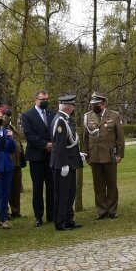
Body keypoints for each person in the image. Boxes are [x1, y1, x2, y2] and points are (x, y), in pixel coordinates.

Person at [82, 92, 125, 219]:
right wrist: (86, 154)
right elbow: (85, 138)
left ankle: (112, 210)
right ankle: (101, 210)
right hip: (94, 155)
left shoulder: (114, 116)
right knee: (98, 185)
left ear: (103, 103)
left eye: (97, 104)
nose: (94, 106)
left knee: (111, 184)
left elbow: (120, 137)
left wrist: (120, 154)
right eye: (93, 104)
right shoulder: (87, 117)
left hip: (110, 155)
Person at [20, 90, 56, 227]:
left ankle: (51, 214)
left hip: (51, 155)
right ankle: (38, 216)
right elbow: (28, 135)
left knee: (52, 185)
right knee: (38, 187)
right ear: (35, 99)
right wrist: (44, 145)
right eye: (43, 99)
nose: (45, 101)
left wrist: (53, 144)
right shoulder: (27, 115)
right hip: (37, 156)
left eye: (47, 99)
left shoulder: (52, 114)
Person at [49, 95, 83, 230]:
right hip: (62, 164)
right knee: (62, 195)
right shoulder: (60, 121)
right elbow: (58, 145)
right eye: (73, 106)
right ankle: (60, 222)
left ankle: (69, 219)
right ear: (68, 107)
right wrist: (63, 164)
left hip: (70, 161)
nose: (74, 108)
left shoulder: (66, 120)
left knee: (70, 194)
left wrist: (77, 153)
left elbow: (70, 141)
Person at [0, 105, 25, 219]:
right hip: (6, 162)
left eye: (9, 114)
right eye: (6, 114)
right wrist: (3, 119)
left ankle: (16, 211)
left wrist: (22, 155)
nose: (8, 117)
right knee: (5, 189)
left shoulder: (12, 127)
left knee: (16, 188)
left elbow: (18, 142)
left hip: (17, 162)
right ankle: (4, 212)